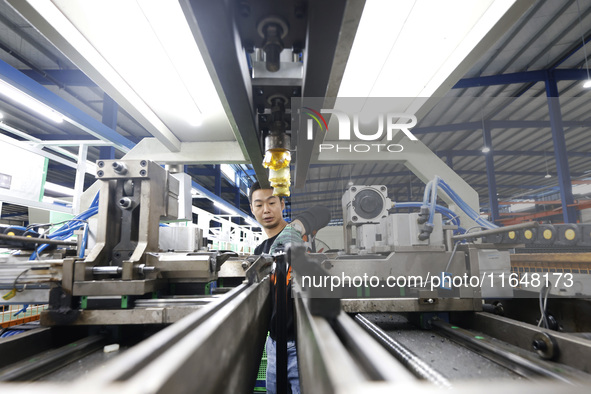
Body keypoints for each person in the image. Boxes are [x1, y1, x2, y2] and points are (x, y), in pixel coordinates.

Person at [249, 181, 330, 394]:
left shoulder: (299, 237)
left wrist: (296, 226)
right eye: (259, 205)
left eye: (271, 202)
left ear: (282, 204)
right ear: (252, 209)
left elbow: (323, 212)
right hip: (275, 343)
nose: (265, 210)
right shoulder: (260, 250)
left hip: (305, 342)